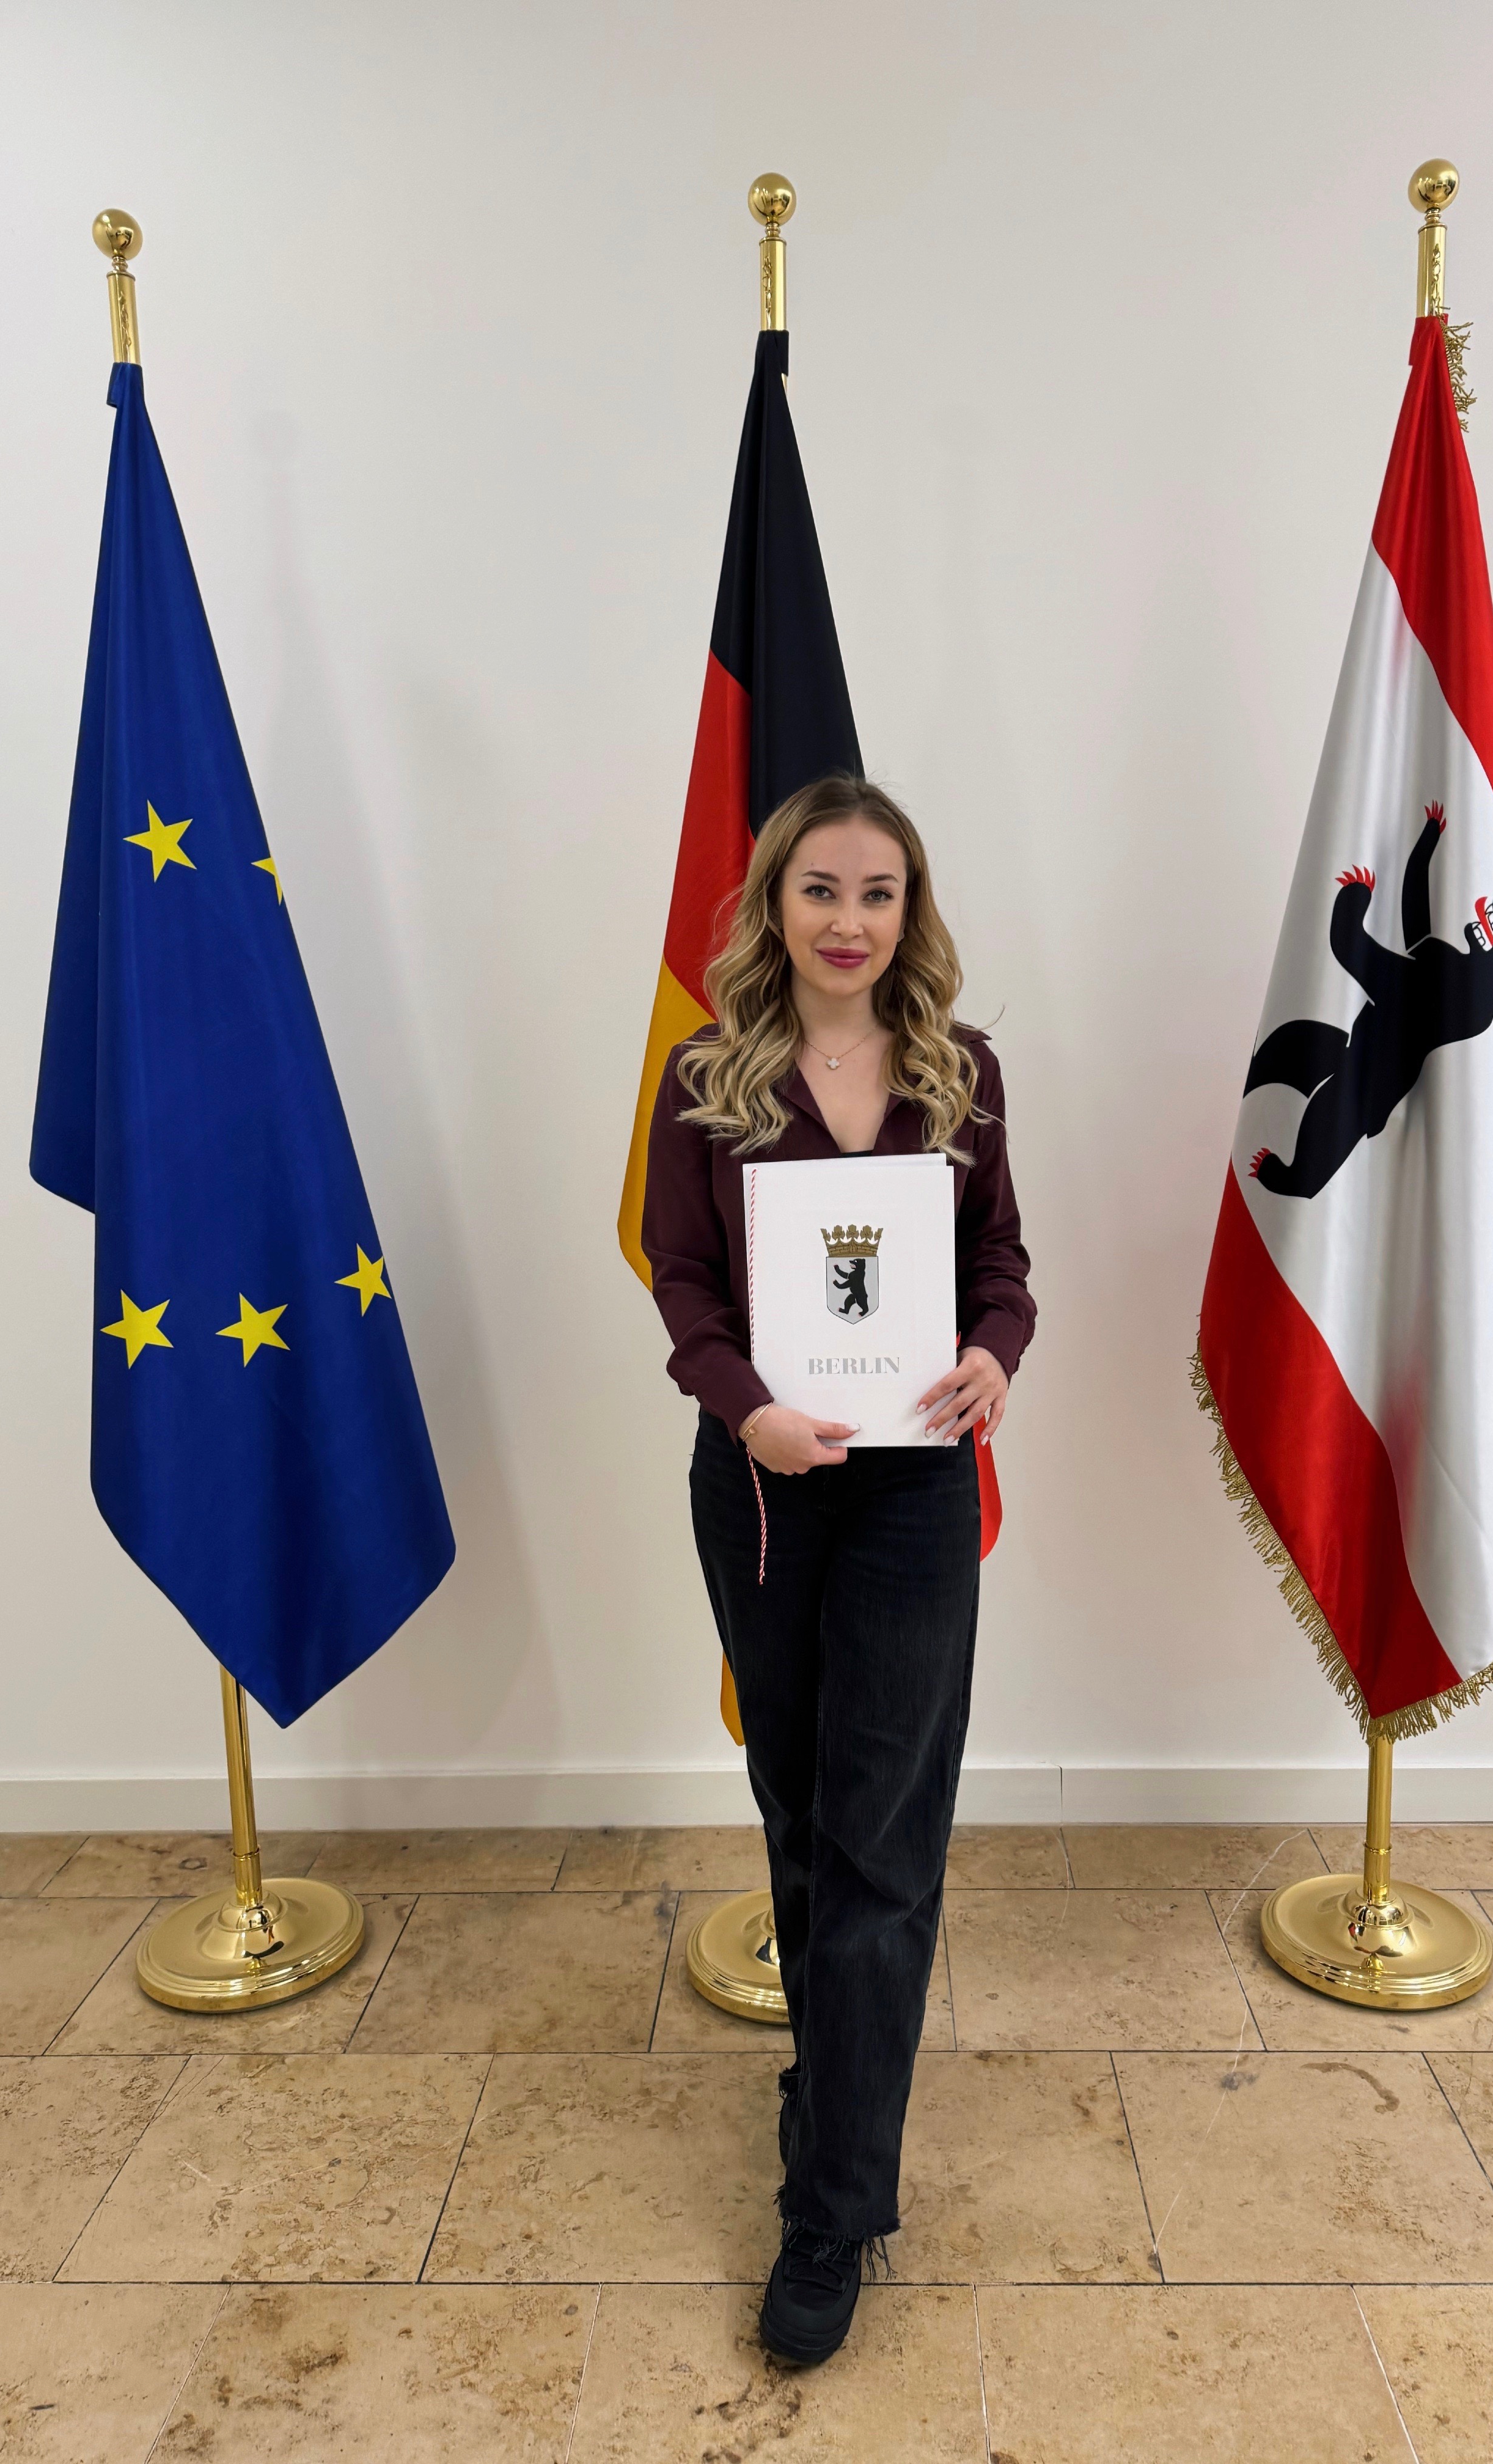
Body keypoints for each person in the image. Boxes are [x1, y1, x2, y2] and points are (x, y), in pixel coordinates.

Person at [641, 773, 1035, 2363]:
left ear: (910, 909)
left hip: (916, 1494)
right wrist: (749, 1411)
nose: (851, 921)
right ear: (775, 908)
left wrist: (998, 1355)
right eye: (822, 891)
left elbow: (1004, 1264)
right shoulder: (706, 1080)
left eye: (879, 893)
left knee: (882, 1840)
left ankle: (834, 2210)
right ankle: (835, 2075)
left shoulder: (965, 1076)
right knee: (802, 1815)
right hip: (763, 1494)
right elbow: (682, 1284)